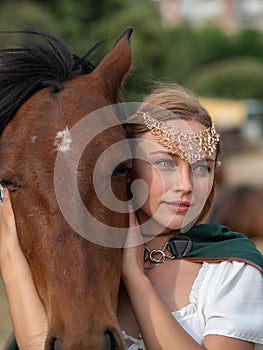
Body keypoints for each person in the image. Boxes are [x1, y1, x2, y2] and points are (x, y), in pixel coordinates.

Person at [1, 83, 263, 350]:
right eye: (165, 163)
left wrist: (136, 278)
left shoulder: (231, 268)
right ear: (126, 167)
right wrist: (11, 257)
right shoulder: (82, 265)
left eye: (201, 168)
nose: (186, 184)